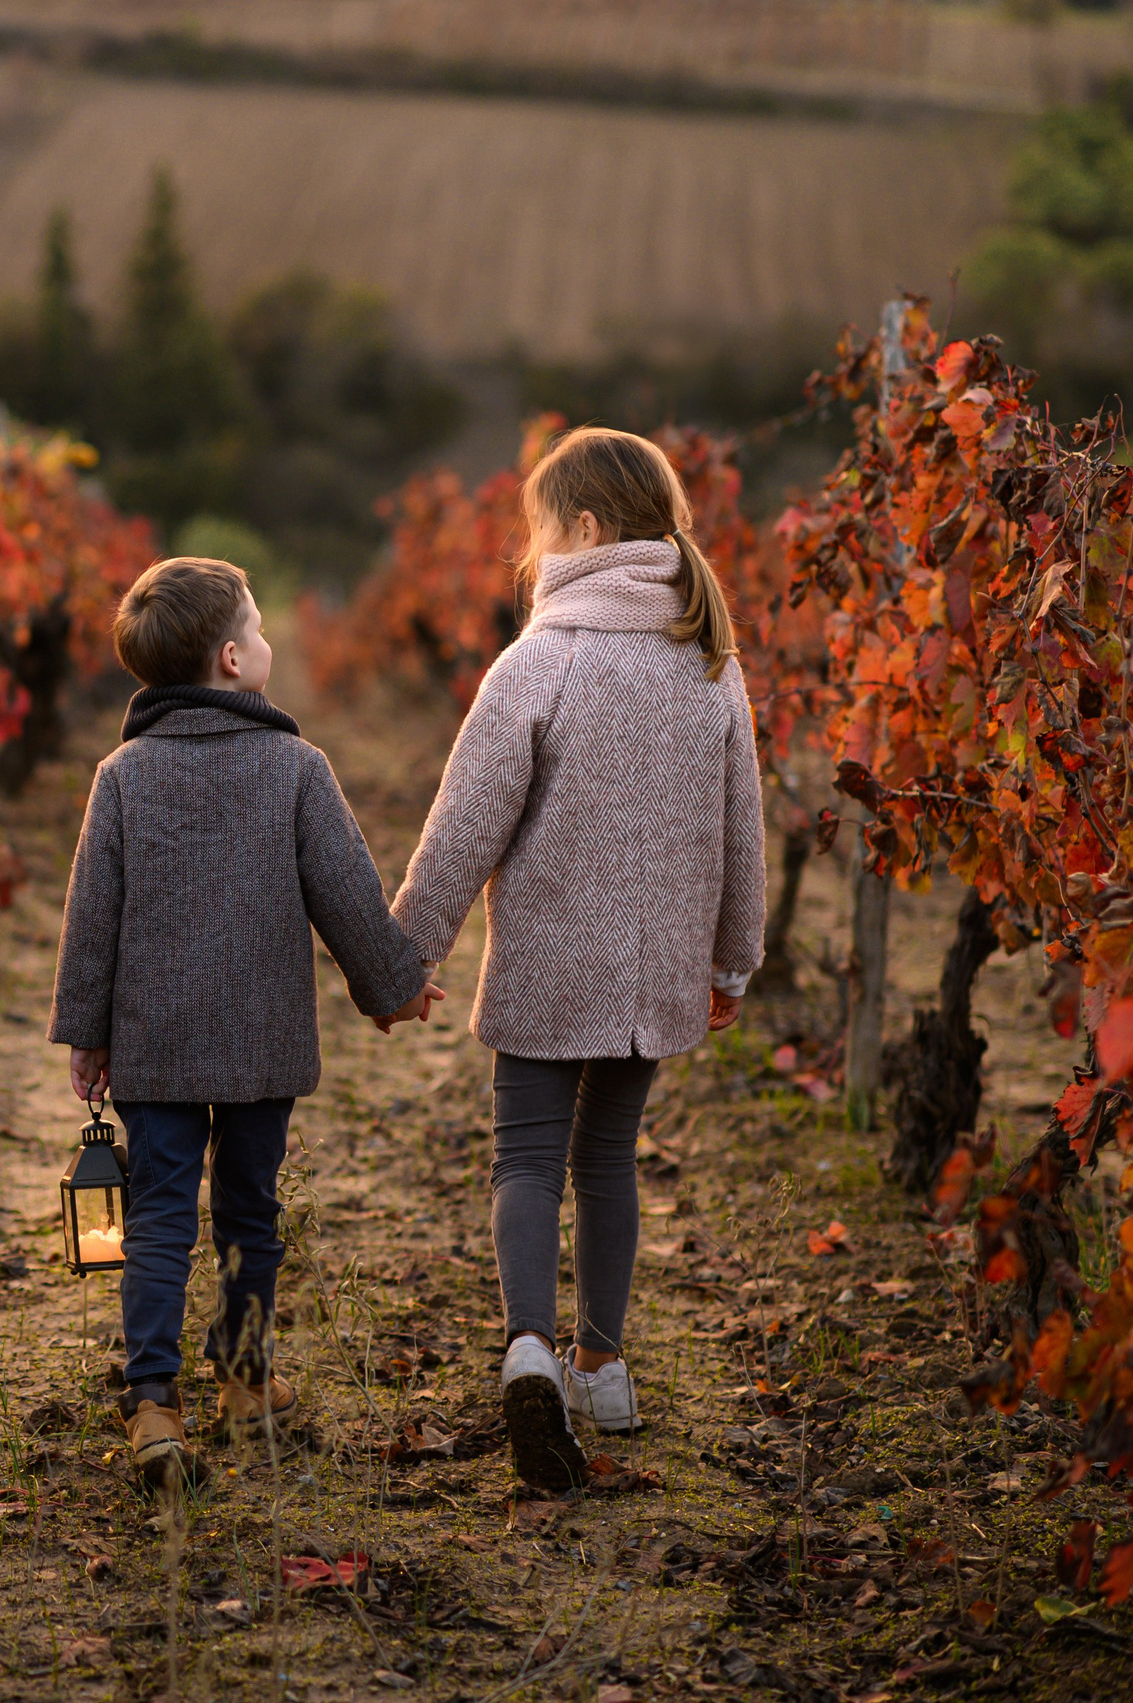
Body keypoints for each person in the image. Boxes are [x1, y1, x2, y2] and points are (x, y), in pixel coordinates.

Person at [391, 427, 767, 1491]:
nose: (530, 550)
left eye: (539, 527)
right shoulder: (709, 664)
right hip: (657, 979)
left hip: (548, 963)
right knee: (607, 1158)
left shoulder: (540, 659)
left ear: (586, 531)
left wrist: (402, 957)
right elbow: (745, 834)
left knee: (523, 1157)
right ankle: (600, 1363)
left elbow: (462, 826)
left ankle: (525, 1349)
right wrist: (730, 964)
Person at [49, 556, 442, 1491]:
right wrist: (393, 984)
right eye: (261, 629)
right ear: (232, 659)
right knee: (250, 1211)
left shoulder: (122, 775)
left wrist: (87, 1031)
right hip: (263, 1041)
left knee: (155, 1211)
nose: (270, 643)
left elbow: (91, 913)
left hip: (156, 1046)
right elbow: (347, 898)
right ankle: (246, 1381)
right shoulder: (297, 769)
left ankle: (153, 1400)